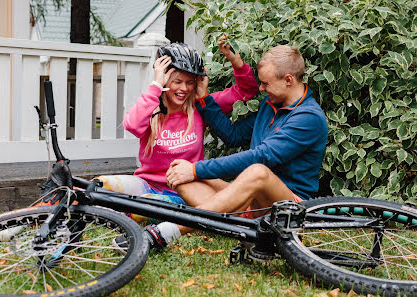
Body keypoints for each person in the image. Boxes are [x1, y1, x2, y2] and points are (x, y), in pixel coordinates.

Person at [140, 45, 328, 250]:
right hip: (254, 203)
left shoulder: (308, 118)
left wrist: (195, 169)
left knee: (257, 171)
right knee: (181, 177)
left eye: (266, 83)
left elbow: (262, 156)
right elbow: (233, 135)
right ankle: (242, 226)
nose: (262, 89)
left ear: (288, 80)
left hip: (289, 207)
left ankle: (172, 230)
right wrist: (204, 99)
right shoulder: (271, 105)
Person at [98, 39, 258, 225]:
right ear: (165, 80)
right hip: (146, 184)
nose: (184, 89)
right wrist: (156, 86)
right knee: (101, 184)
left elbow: (246, 92)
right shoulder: (151, 107)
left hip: (186, 191)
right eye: (177, 81)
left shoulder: (200, 107)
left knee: (141, 208)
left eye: (190, 82)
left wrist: (234, 59)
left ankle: (114, 215)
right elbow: (132, 125)